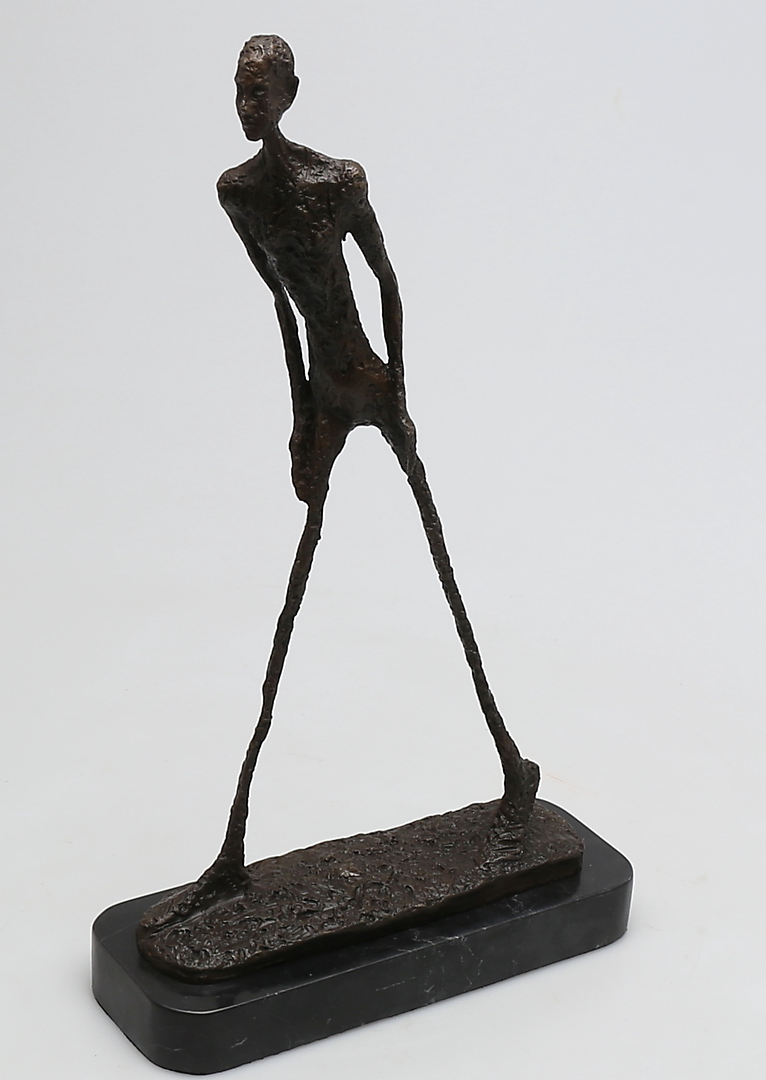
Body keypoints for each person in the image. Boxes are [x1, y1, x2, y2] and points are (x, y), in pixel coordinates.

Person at [141, 36, 539, 933]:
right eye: (238, 91)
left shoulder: (340, 182)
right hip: (324, 394)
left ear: (290, 93)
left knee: (440, 563)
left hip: (370, 380)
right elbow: (282, 312)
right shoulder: (238, 194)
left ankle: (514, 768)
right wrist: (298, 419)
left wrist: (400, 387)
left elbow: (388, 282)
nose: (247, 106)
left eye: (260, 91)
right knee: (292, 598)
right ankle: (232, 853)